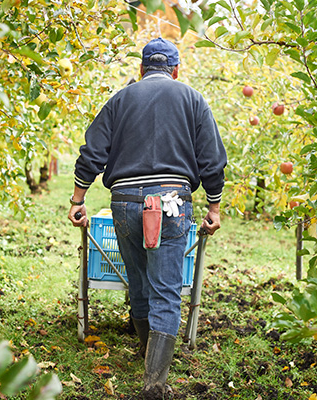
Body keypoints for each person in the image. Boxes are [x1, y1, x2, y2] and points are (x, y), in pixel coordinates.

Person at [68, 37, 227, 399]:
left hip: (124, 203)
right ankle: (155, 380)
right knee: (166, 289)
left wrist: (78, 199)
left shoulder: (120, 99)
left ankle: (145, 350)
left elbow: (93, 151)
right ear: (175, 70)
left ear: (140, 70)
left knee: (139, 280)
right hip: (172, 201)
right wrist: (213, 207)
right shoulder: (193, 98)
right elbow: (212, 160)